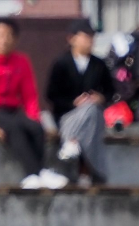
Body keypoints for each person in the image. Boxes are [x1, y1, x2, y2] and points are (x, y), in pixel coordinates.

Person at [0, 19, 68, 190]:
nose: (4, 40)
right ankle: (32, 174)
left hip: (11, 110)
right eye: (0, 36)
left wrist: (34, 118)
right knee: (14, 128)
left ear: (15, 40)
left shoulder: (21, 62)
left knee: (35, 128)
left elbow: (29, 96)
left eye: (9, 36)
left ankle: (41, 172)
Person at [46, 19, 115, 185]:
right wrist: (73, 103)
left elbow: (111, 91)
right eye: (85, 37)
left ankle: (70, 145)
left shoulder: (99, 64)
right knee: (89, 111)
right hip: (67, 115)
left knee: (91, 108)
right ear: (72, 39)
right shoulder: (61, 64)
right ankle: (94, 171)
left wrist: (101, 98)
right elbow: (51, 95)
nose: (89, 41)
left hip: (93, 117)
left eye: (91, 37)